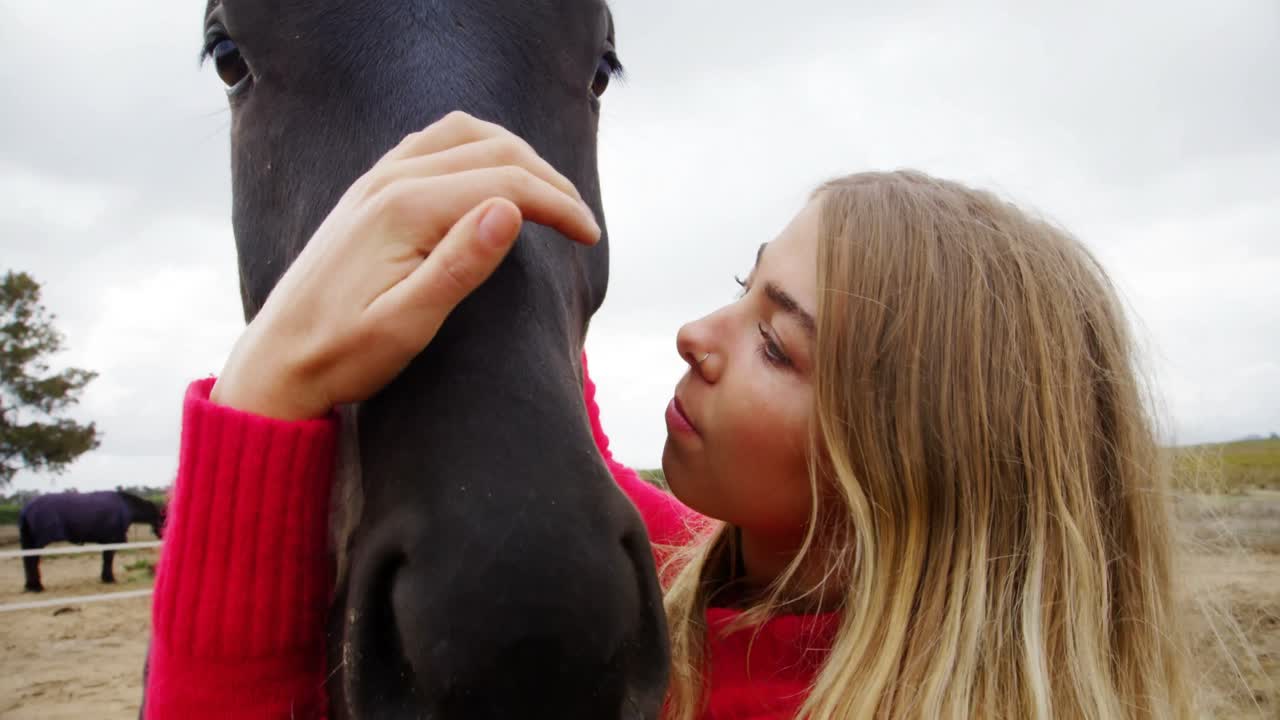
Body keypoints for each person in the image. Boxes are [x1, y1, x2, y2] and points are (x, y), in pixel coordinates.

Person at [144, 113, 1194, 719]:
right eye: (741, 283)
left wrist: (267, 391)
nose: (697, 331)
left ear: (920, 475)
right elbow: (575, 433)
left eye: (777, 344)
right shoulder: (696, 568)